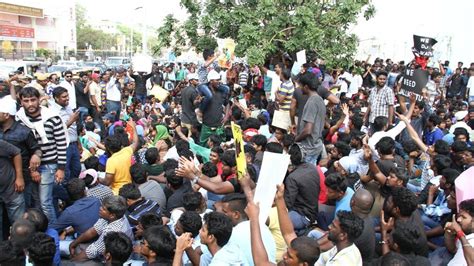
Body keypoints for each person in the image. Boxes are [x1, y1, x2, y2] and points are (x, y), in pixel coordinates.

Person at [16, 86, 68, 224]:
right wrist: (32, 169)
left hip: (49, 164)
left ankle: (53, 230)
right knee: (35, 201)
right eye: (26, 101)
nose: (30, 104)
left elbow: (61, 144)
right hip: (29, 167)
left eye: (33, 100)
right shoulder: (19, 120)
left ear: (39, 100)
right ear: (21, 102)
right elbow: (23, 148)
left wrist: (61, 168)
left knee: (45, 201)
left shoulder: (52, 118)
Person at [0, 95, 41, 210]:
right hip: (4, 179)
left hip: (23, 179)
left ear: (6, 115)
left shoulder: (24, 131)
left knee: (25, 209)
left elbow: (36, 149)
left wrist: (35, 158)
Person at [216, 193, 276, 265]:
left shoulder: (232, 234)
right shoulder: (263, 227)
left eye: (224, 211)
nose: (220, 213)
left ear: (236, 215)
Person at [69, 195, 133, 262]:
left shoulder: (113, 231)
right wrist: (73, 244)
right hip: (103, 251)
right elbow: (93, 231)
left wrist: (72, 262)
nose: (100, 208)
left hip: (115, 260)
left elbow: (92, 251)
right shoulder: (112, 217)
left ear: (112, 215)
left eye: (104, 209)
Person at [51, 178, 100, 253]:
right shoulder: (96, 201)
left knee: (54, 245)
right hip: (100, 241)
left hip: (84, 246)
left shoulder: (69, 212)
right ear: (84, 191)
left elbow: (52, 229)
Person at [284, 144, 320, 232]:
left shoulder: (292, 178)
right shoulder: (312, 168)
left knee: (276, 219)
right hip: (313, 211)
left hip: (302, 215)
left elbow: (287, 204)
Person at [294, 72, 326, 164]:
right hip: (316, 145)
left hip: (309, 148)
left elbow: (308, 130)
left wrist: (296, 139)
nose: (299, 88)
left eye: (300, 86)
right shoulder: (320, 100)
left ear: (306, 87)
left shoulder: (312, 102)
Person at [51, 86, 81, 181]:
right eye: (64, 97)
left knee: (77, 169)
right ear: (56, 98)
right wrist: (71, 121)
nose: (67, 98)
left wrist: (78, 142)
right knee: (65, 172)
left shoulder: (68, 107)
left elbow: (74, 127)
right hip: (64, 146)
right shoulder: (53, 112)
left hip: (74, 144)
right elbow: (57, 130)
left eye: (67, 96)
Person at [103, 119, 139, 194]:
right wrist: (134, 128)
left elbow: (107, 182)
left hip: (117, 192)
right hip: (130, 186)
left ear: (109, 149)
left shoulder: (111, 161)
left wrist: (98, 178)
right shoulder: (127, 151)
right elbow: (136, 142)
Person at [0, 139, 25, 232]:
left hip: (11, 189)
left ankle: (21, 246)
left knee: (20, 226)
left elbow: (16, 152)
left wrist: (19, 177)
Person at [199, 70, 229, 146]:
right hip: (207, 125)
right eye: (217, 80)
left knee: (219, 146)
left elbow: (227, 103)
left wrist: (226, 116)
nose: (219, 82)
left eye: (219, 80)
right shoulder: (204, 93)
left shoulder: (221, 92)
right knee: (203, 145)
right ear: (211, 81)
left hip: (219, 125)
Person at [445, 199, 474, 265]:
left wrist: (459, 232)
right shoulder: (467, 234)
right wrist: (449, 233)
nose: (458, 219)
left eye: (463, 217)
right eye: (459, 215)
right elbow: (453, 250)